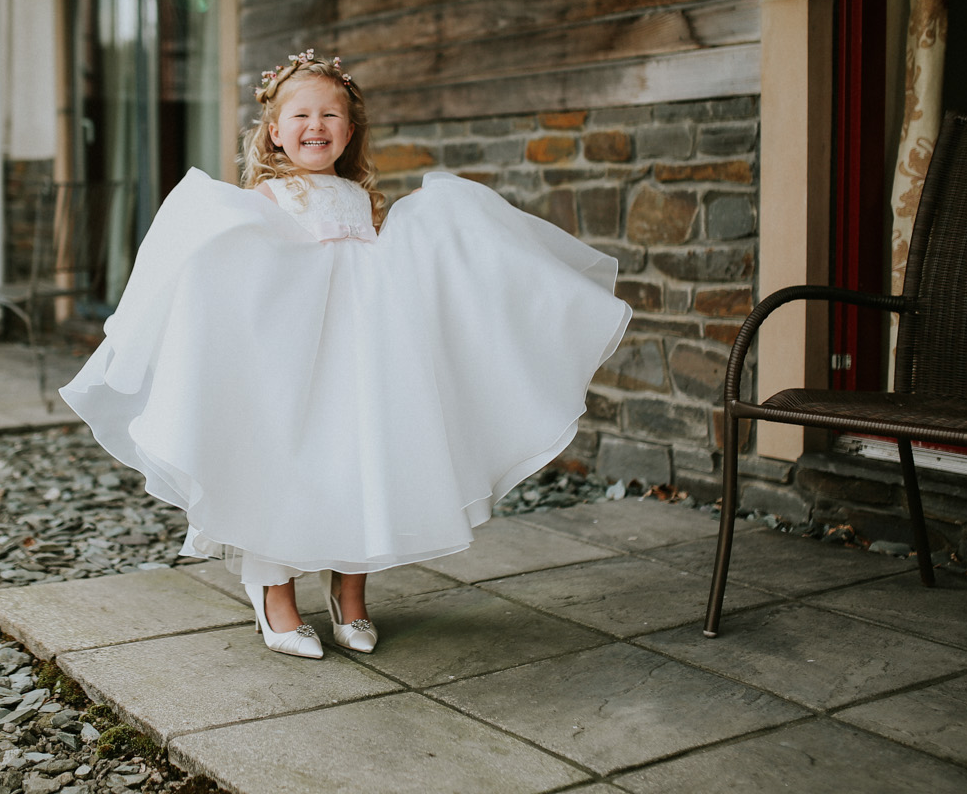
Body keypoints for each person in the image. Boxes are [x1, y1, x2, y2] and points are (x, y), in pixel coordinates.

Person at [61, 49, 631, 660]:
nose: (317, 125)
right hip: (291, 361)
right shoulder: (265, 202)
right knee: (284, 465)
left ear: (350, 131)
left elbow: (391, 276)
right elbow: (236, 272)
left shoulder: (364, 202)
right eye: (301, 114)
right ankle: (274, 592)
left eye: (331, 115)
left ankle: (349, 593)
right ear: (274, 132)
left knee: (365, 460)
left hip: (364, 359)